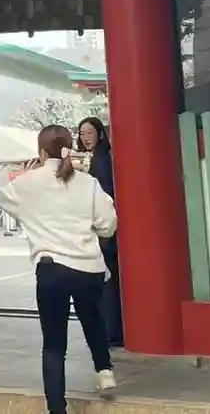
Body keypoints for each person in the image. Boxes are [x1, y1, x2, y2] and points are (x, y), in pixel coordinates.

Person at [0, 124, 118, 414]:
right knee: (91, 316)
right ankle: (105, 371)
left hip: (52, 269)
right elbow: (108, 225)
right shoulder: (88, 182)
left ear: (41, 152)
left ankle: (56, 409)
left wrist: (28, 175)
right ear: (70, 147)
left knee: (54, 345)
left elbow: (5, 200)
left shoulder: (29, 183)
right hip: (88, 267)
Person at [78, 116, 122, 347]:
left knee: (107, 282)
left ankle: (111, 331)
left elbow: (103, 197)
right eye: (82, 133)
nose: (85, 137)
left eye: (89, 132)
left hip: (104, 230)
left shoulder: (101, 160)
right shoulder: (95, 158)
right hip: (102, 228)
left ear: (100, 134)